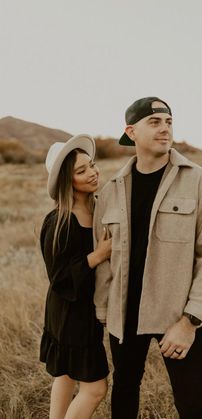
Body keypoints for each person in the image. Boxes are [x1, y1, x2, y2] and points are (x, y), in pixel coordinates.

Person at [93, 97, 202, 419]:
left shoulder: (199, 181)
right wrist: (102, 309)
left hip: (176, 316)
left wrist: (190, 320)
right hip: (123, 316)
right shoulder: (111, 190)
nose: (165, 128)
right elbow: (105, 257)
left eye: (168, 122)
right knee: (124, 397)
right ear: (131, 131)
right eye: (154, 122)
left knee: (195, 407)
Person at [39, 134, 112, 419]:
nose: (92, 173)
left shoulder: (98, 209)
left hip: (86, 308)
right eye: (81, 171)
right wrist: (99, 255)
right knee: (95, 389)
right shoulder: (59, 222)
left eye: (92, 165)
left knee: (67, 375)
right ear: (67, 181)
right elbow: (59, 278)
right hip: (70, 314)